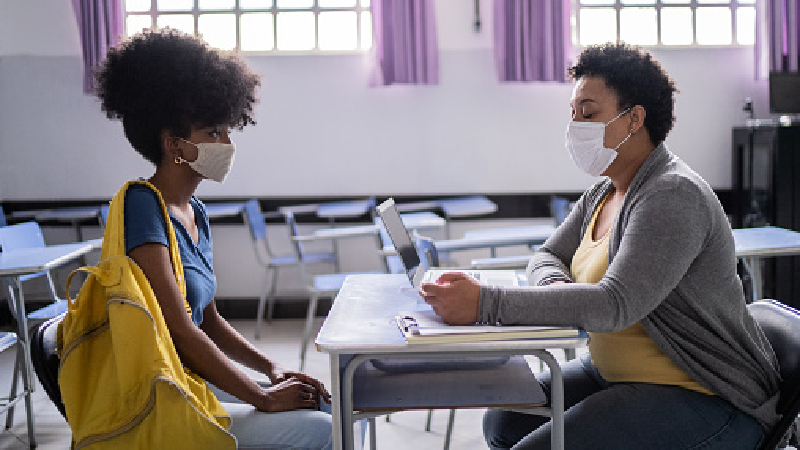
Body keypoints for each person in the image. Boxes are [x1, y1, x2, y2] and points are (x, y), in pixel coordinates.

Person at [420, 43, 782, 449]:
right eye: (573, 113)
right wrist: (557, 290)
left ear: (635, 119)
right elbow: (546, 255)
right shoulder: (604, 191)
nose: (576, 125)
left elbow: (613, 305)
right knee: (503, 423)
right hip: (617, 372)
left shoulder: (671, 194)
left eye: (589, 113)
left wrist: (486, 303)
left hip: (704, 393)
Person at [95, 28, 333, 449]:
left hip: (189, 382)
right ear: (174, 145)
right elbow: (181, 330)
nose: (227, 143)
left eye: (227, 131)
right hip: (157, 399)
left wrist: (273, 370)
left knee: (327, 406)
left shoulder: (195, 212)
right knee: (324, 431)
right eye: (212, 133)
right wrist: (260, 396)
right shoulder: (142, 206)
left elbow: (209, 320)